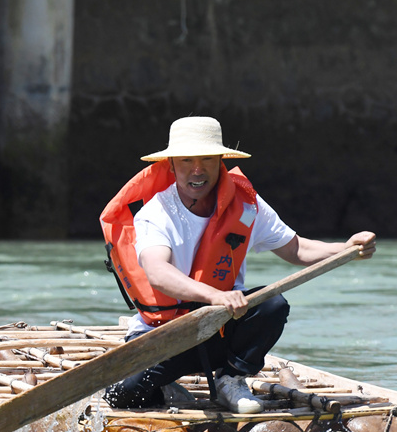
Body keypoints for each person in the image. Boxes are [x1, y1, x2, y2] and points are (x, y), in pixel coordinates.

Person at [100, 116, 376, 413]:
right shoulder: (155, 213)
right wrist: (214, 295)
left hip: (219, 330)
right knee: (122, 397)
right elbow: (157, 272)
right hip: (166, 334)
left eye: (207, 159)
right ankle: (164, 386)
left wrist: (346, 248)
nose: (197, 170)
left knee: (272, 305)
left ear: (220, 161)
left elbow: (297, 248)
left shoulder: (247, 204)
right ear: (171, 165)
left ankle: (231, 378)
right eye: (186, 160)